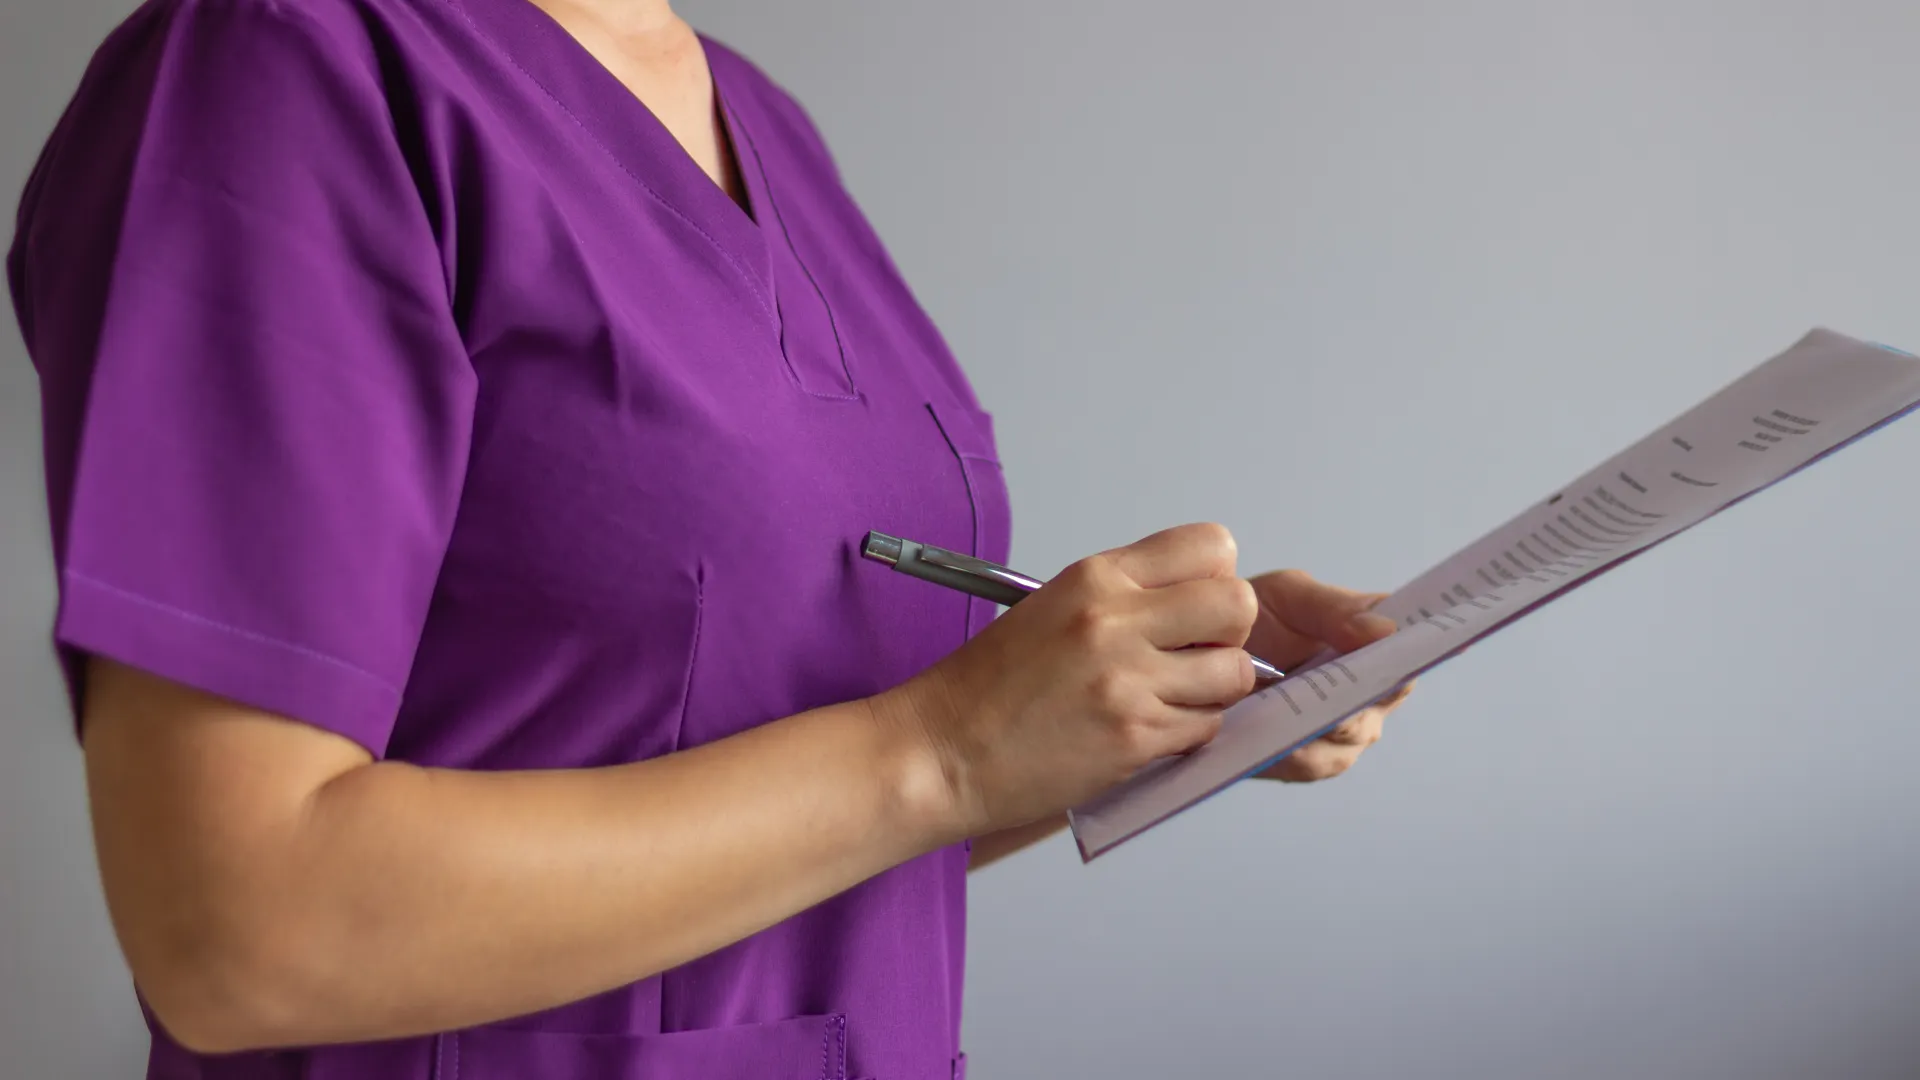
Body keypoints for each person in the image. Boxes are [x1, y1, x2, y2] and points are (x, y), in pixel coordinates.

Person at [7, 0, 1415, 1076]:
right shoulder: (287, 67)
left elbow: (772, 783)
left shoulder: (759, 120)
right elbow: (239, 930)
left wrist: (1140, 712)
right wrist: (946, 748)